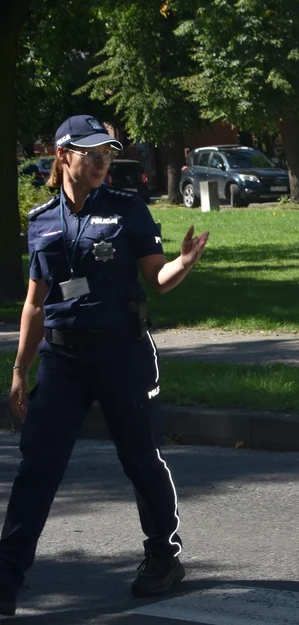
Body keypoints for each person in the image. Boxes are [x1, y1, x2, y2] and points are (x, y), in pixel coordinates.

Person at [2, 115, 210, 615]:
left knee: (140, 459)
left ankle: (163, 556)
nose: (101, 162)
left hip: (121, 353)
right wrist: (19, 371)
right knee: (38, 465)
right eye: (90, 153)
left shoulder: (126, 209)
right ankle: (6, 577)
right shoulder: (42, 219)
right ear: (62, 155)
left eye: (107, 154)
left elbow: (156, 280)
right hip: (63, 358)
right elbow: (35, 302)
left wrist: (181, 262)